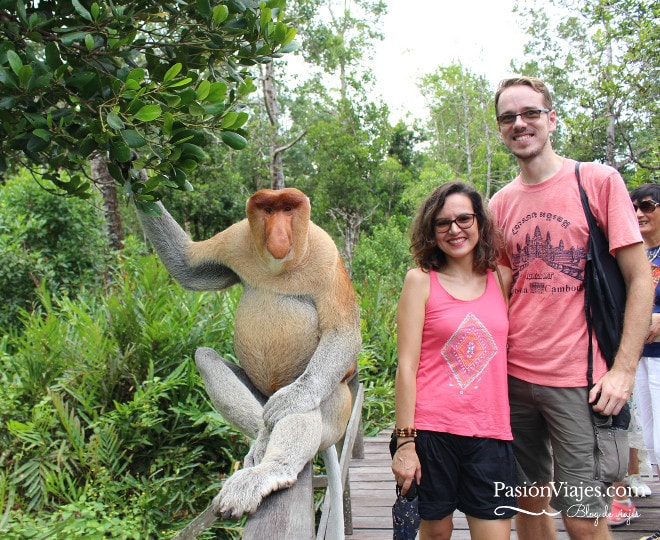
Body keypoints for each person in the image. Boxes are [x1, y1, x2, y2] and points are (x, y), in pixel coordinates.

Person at [488, 76, 653, 540]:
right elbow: (500, 290)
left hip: (580, 383)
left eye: (530, 113)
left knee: (583, 518)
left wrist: (623, 371)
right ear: (501, 130)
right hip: (514, 378)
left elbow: (639, 279)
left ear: (551, 119)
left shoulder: (597, 181)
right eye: (508, 117)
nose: (519, 123)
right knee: (528, 504)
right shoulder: (501, 203)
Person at [392, 181, 517, 540]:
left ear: (479, 222)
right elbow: (406, 367)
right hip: (432, 433)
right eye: (443, 223)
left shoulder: (502, 279)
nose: (455, 229)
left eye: (464, 219)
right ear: (431, 230)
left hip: (491, 432)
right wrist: (405, 443)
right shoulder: (420, 281)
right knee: (435, 534)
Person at [630, 184, 660, 485]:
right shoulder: (635, 253)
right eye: (633, 208)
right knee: (647, 437)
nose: (639, 213)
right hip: (639, 356)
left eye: (647, 206)